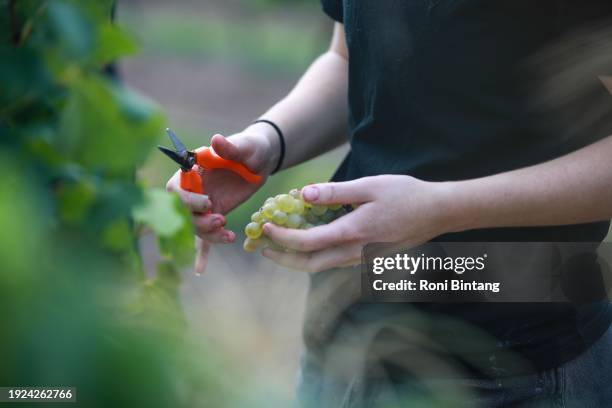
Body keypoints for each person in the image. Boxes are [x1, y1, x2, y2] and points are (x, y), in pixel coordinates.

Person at [167, 0, 612, 406]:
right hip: (345, 342)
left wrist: (444, 207)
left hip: (513, 363)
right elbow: (349, 61)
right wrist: (268, 143)